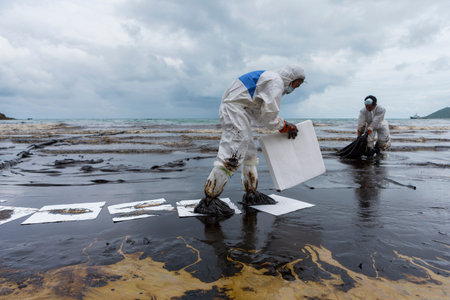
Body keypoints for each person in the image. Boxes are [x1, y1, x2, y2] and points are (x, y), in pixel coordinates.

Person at [194, 65, 306, 216]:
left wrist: (280, 125)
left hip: (240, 109)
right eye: (295, 85)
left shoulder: (269, 79)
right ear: (290, 79)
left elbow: (260, 116)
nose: (293, 90)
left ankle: (251, 193)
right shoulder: (276, 82)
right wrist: (284, 125)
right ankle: (210, 198)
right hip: (235, 109)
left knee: (249, 154)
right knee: (234, 153)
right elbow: (269, 115)